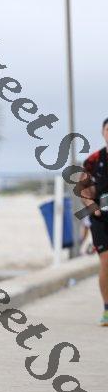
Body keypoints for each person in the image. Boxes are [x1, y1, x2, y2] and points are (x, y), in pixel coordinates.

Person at [80, 117, 108, 325]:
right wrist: (92, 205)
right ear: (102, 132)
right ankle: (107, 309)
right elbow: (83, 190)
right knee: (106, 263)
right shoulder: (93, 160)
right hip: (100, 218)